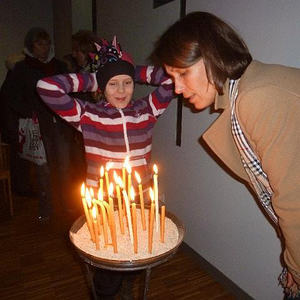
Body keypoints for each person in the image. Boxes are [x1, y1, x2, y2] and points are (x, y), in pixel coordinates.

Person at [150, 11, 300, 300]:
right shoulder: (246, 91)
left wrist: (295, 266)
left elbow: (294, 199)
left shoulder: (257, 96)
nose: (177, 89)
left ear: (212, 55)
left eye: (182, 73)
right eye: (172, 77)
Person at [37, 37, 174, 299]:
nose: (121, 90)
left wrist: (135, 71)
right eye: (112, 83)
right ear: (102, 86)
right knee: (108, 267)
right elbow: (47, 87)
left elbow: (171, 80)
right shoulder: (88, 115)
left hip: (139, 201)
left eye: (127, 82)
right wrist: (93, 79)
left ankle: (126, 288)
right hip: (104, 204)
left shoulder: (147, 110)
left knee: (134, 254)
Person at [1, 27, 74, 223]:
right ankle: (46, 208)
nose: (45, 47)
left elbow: (70, 91)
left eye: (46, 43)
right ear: (31, 46)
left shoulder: (59, 66)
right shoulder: (22, 69)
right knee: (43, 170)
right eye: (40, 44)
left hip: (60, 125)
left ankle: (67, 205)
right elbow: (9, 97)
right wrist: (29, 110)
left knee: (65, 168)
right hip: (38, 128)